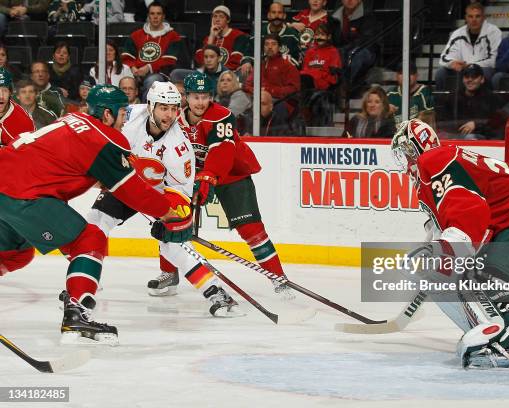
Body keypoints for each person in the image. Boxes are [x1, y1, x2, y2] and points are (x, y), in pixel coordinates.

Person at [0, 84, 191, 345]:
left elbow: (69, 162)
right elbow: (131, 191)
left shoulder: (72, 119)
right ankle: (77, 313)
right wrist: (165, 213)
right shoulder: (106, 138)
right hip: (25, 195)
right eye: (122, 113)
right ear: (108, 114)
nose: (125, 121)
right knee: (90, 239)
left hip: (7, 184)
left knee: (16, 254)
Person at [390, 118, 509, 370]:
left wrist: (451, 246)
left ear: (415, 147)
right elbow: (443, 225)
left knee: (483, 278)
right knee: (481, 279)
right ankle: (496, 337)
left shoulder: (433, 160)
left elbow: (467, 205)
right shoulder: (440, 164)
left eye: (405, 153)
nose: (405, 163)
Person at [85, 81, 241, 317]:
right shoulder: (128, 117)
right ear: (150, 106)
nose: (169, 115)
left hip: (160, 192)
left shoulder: (179, 150)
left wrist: (173, 220)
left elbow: (180, 195)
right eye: (163, 108)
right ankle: (85, 287)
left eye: (173, 109)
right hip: (127, 182)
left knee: (172, 246)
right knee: (95, 223)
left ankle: (216, 292)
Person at [151, 72, 292, 298]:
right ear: (186, 97)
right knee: (171, 217)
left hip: (230, 175)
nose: (200, 102)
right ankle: (169, 272)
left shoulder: (221, 116)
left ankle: (279, 279)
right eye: (195, 97)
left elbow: (222, 152)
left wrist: (208, 177)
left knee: (252, 230)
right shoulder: (175, 118)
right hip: (191, 177)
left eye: (205, 96)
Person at [121, 1, 181, 97]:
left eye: (159, 13)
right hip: (135, 72)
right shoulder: (136, 35)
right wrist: (133, 67)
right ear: (148, 16)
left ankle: (147, 111)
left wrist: (149, 67)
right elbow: (127, 56)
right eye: (152, 13)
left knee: (152, 81)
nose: (155, 17)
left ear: (163, 16)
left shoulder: (172, 36)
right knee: (125, 82)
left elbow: (170, 60)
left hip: (159, 74)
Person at [436, 2, 501, 90]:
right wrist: (452, 63)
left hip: (483, 69)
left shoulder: (493, 31)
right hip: (463, 70)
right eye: (470, 16)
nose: (474, 20)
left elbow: (493, 60)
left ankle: (484, 102)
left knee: (487, 72)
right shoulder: (458, 33)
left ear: (483, 18)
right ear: (466, 18)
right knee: (441, 72)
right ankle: (442, 102)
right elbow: (444, 58)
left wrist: (471, 65)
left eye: (477, 16)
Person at [438, 63, 502, 139]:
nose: (470, 80)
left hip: (483, 137)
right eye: (466, 77)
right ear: (463, 79)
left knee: (470, 137)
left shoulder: (491, 98)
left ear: (482, 79)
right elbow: (443, 120)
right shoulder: (453, 97)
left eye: (474, 77)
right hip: (455, 136)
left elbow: (497, 122)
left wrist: (476, 125)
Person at [331, 0, 380, 95]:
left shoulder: (368, 15)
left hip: (365, 50)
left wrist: (343, 49)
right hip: (342, 51)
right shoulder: (334, 18)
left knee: (355, 55)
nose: (349, 0)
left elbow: (365, 40)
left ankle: (347, 87)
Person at [194, 5, 250, 72]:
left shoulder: (238, 36)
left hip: (228, 75)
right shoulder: (207, 38)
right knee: (179, 73)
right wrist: (211, 37)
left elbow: (235, 62)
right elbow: (200, 61)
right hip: (207, 74)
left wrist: (216, 71)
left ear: (228, 20)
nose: (217, 19)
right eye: (215, 16)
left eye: (221, 16)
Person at [387, 61, 435, 128]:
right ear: (396, 76)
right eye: (401, 73)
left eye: (410, 73)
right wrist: (386, 111)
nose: (406, 76)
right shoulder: (390, 94)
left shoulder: (425, 92)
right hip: (393, 135)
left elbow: (429, 117)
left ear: (417, 75)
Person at [0, 68, 35, 147]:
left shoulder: (23, 122)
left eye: (4, 90)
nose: (1, 96)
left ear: (10, 92)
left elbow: (28, 156)